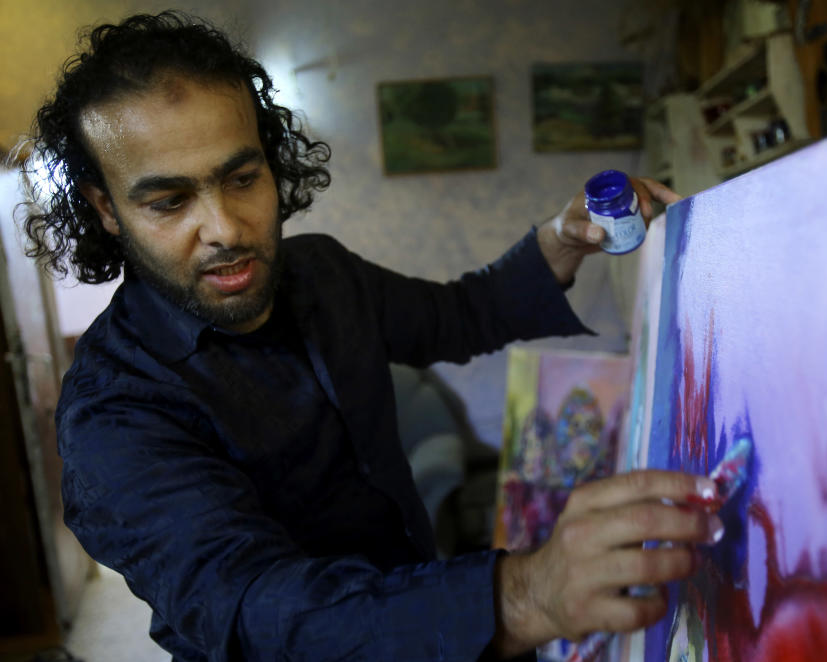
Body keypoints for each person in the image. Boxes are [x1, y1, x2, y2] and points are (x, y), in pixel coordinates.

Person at [17, 11, 723, 662]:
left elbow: (461, 313)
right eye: (169, 201)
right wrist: (528, 592)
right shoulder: (112, 412)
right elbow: (261, 610)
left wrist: (562, 240)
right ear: (108, 209)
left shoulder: (322, 273)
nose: (226, 228)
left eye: (242, 177)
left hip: (430, 620)